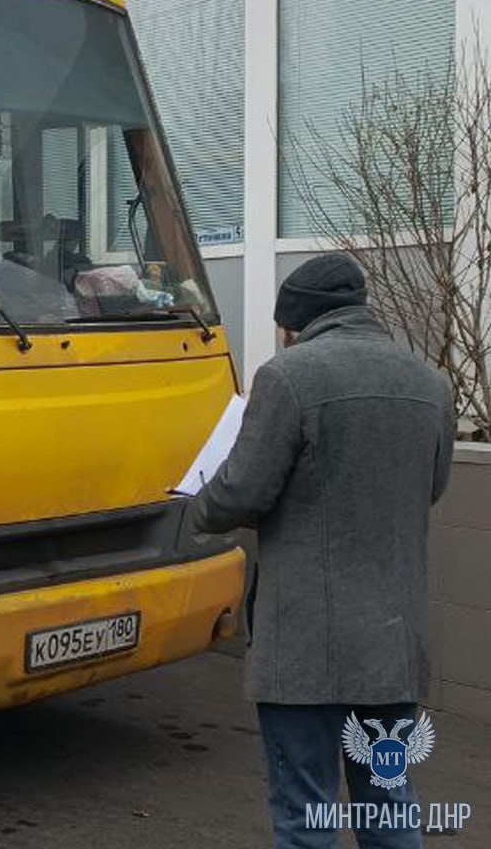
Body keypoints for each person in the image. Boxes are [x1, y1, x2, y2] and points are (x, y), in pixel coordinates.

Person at [189, 253, 455, 849]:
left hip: (304, 650)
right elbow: (430, 488)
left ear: (294, 325)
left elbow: (242, 491)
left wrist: (198, 505)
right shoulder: (431, 384)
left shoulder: (288, 378)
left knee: (306, 812)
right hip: (391, 644)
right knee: (388, 805)